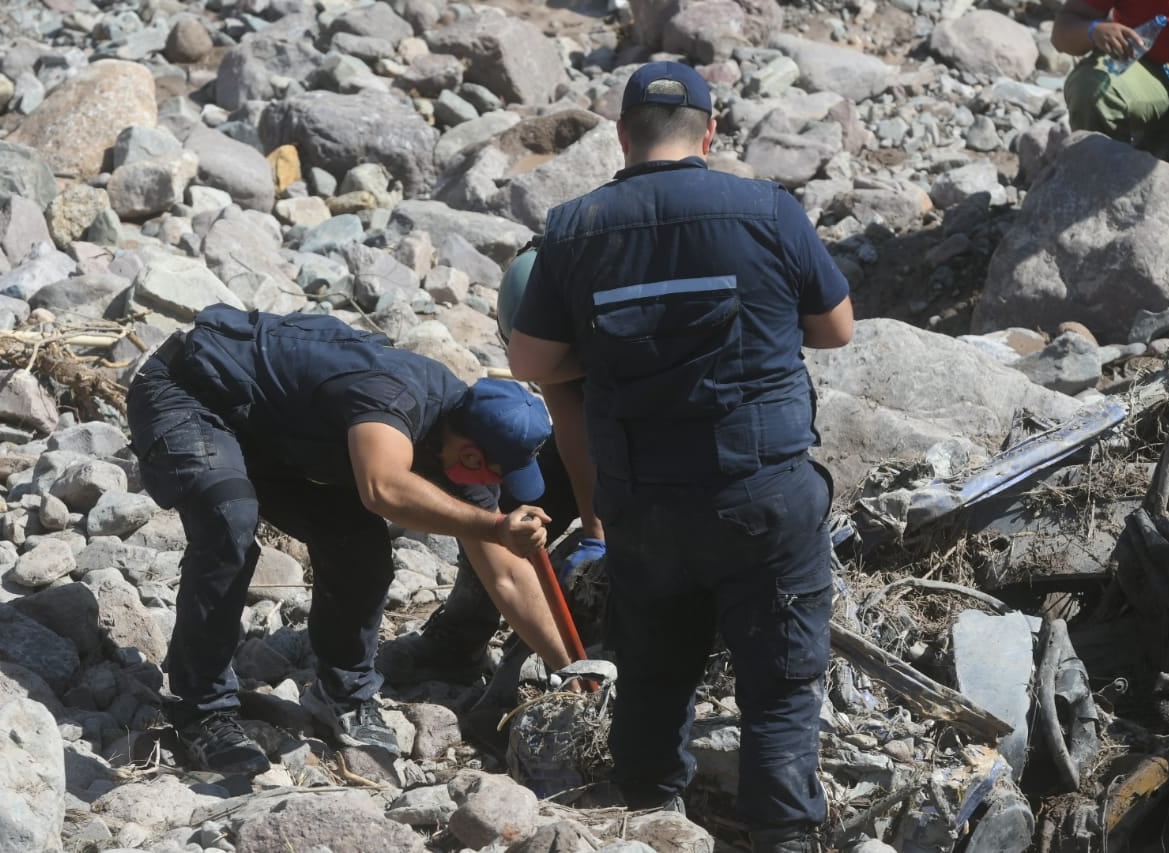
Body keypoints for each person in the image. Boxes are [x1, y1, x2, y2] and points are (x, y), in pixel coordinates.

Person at [506, 62, 854, 853]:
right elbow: (836, 330)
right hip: (765, 494)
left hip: (645, 501)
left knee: (657, 671)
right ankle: (783, 839)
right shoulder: (768, 208)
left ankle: (651, 821)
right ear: (710, 131)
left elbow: (530, 360)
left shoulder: (573, 228)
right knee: (782, 682)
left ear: (622, 137)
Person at [126, 304, 572, 775]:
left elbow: (507, 575)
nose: (493, 490)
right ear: (469, 452)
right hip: (190, 393)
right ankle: (201, 712)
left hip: (277, 433)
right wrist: (496, 527)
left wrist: (570, 669)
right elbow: (383, 489)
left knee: (359, 548)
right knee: (228, 519)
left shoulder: (472, 447)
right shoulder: (390, 397)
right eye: (496, 475)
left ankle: (343, 694)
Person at [377, 257, 604, 686]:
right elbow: (576, 438)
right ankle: (460, 640)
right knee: (500, 506)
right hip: (601, 442)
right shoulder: (551, 332)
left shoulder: (631, 346)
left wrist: (606, 534)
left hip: (670, 459)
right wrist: (595, 533)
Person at [1053, 0, 1169, 144]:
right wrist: (1093, 30)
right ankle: (1105, 173)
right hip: (1138, 67)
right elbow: (1063, 30)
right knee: (1090, 89)